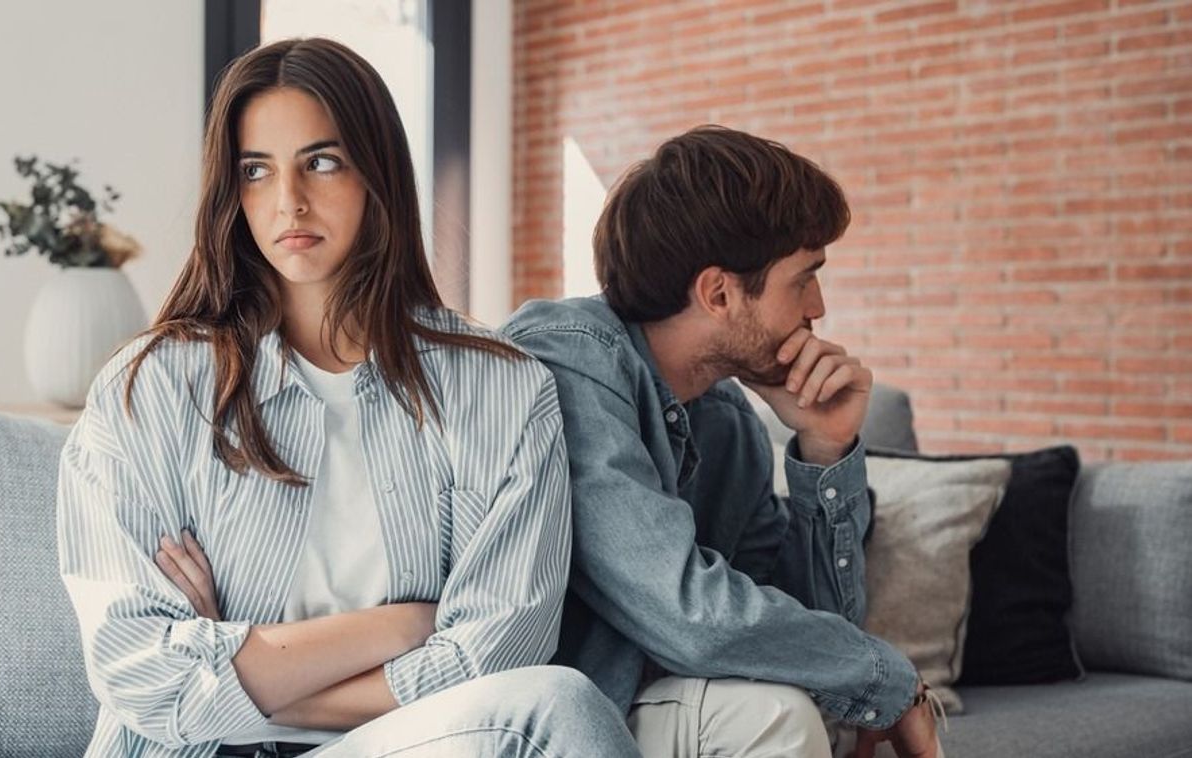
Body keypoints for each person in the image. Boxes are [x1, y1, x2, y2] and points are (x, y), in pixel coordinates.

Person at [56, 37, 639, 758]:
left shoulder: (504, 390)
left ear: (377, 173)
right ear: (229, 192)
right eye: (255, 171)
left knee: (556, 704)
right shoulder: (149, 389)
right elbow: (141, 676)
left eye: (321, 162)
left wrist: (241, 663)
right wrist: (402, 625)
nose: (288, 200)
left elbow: (494, 660)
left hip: (406, 746)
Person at [502, 126, 942, 758]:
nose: (818, 306)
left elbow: (806, 635)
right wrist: (887, 678)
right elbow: (691, 614)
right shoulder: (569, 362)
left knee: (795, 704)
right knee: (774, 715)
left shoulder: (725, 417)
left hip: (638, 700)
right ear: (718, 293)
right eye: (804, 278)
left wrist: (825, 447)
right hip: (535, 718)